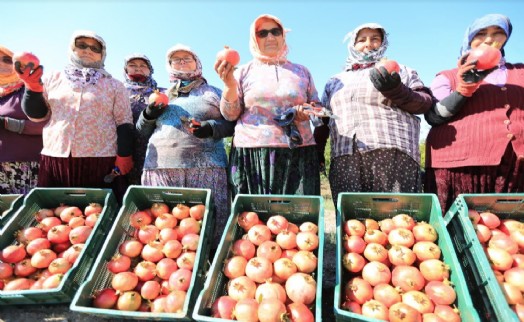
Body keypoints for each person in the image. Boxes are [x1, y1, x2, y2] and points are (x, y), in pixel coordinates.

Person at [314, 23, 433, 207]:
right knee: (353, 224)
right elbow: (324, 121)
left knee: (396, 220)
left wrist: (395, 89)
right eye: (361, 40)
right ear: (353, 45)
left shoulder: (400, 70)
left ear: (383, 43)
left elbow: (424, 103)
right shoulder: (335, 81)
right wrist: (318, 153)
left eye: (375, 39)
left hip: (392, 154)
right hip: (345, 158)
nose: (368, 44)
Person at [16, 30, 134, 202]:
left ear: (103, 55)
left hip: (100, 160)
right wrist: (32, 88)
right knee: (54, 213)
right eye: (82, 45)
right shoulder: (52, 78)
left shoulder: (114, 85)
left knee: (98, 211)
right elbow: (38, 116)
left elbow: (124, 123)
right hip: (56, 158)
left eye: (95, 48)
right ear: (72, 48)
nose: (88, 50)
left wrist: (124, 156)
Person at [136, 44, 234, 245]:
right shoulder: (161, 94)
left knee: (209, 223)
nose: (181, 62)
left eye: (186, 58)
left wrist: (211, 128)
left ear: (197, 63)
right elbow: (141, 130)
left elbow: (232, 123)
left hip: (206, 169)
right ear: (169, 65)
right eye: (176, 59)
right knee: (166, 230)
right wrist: (149, 114)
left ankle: (212, 266)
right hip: (160, 168)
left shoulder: (213, 92)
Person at [424, 14, 523, 212]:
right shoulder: (448, 77)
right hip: (461, 166)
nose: (488, 39)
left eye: (497, 33)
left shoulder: (520, 71)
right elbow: (433, 116)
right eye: (481, 34)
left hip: (515, 166)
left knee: (508, 227)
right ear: (469, 39)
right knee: (457, 226)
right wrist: (464, 89)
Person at [215, 14, 322, 197]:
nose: (270, 37)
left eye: (275, 31)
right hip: (252, 154)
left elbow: (317, 107)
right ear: (254, 39)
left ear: (283, 36)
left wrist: (308, 112)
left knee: (298, 219)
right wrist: (229, 86)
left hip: (298, 152)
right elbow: (230, 115)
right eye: (262, 33)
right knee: (255, 219)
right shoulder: (242, 72)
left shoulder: (302, 71)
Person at [0, 45, 45, 194]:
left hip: (28, 167)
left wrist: (7, 123)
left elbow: (48, 125)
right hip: (1, 170)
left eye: (7, 59)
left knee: (30, 213)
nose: (1, 63)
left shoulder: (32, 89)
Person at [123, 53, 164, 186]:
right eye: (132, 65)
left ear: (150, 70)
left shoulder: (162, 93)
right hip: (123, 150)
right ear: (126, 69)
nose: (138, 68)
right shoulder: (117, 90)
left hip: (153, 151)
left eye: (143, 66)